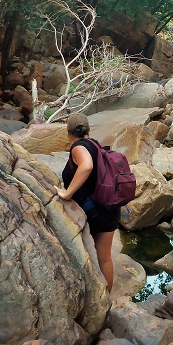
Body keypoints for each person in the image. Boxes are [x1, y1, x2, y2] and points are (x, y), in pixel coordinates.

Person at [55, 113, 118, 293]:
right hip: (109, 206)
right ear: (88, 130)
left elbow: (87, 166)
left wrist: (67, 193)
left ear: (68, 133)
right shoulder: (95, 144)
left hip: (94, 211)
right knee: (105, 258)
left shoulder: (78, 147)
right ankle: (107, 297)